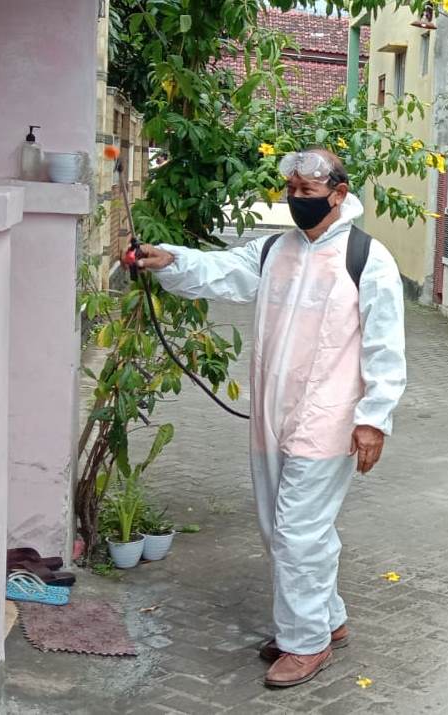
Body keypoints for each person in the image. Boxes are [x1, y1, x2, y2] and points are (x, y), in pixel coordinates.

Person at [126, 149, 407, 686]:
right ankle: (327, 619)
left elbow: (385, 345)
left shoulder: (367, 258)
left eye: (307, 193)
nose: (297, 202)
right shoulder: (277, 250)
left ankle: (306, 644)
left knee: (300, 532)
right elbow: (223, 270)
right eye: (292, 192)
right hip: (272, 416)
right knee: (278, 529)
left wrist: (374, 418)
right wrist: (170, 260)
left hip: (328, 418)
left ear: (340, 194)